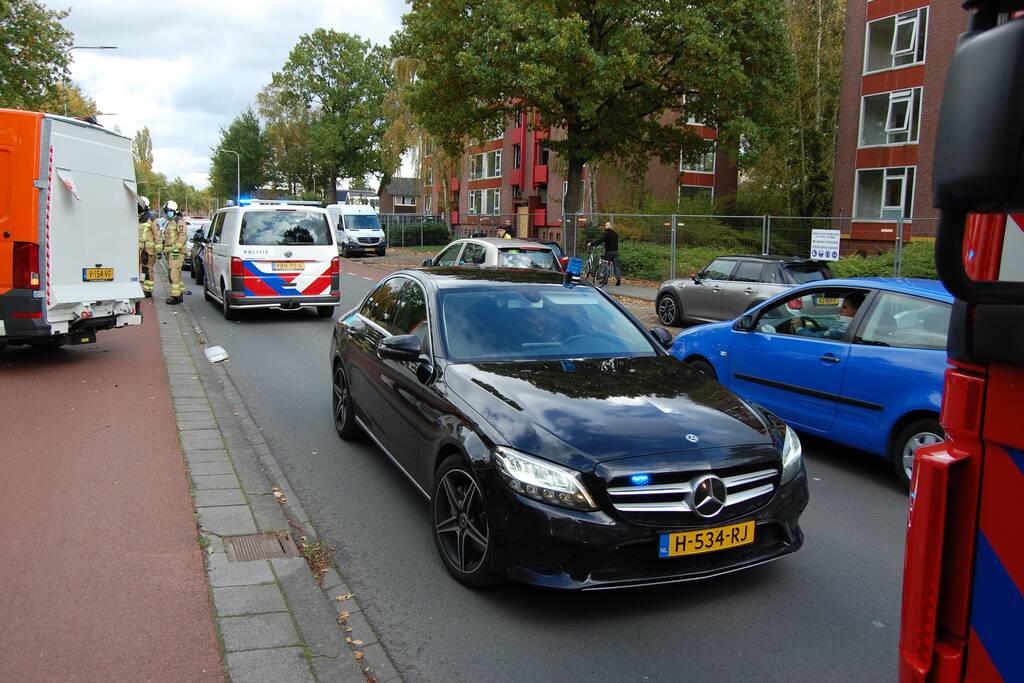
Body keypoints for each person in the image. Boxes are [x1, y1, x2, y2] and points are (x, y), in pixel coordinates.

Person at [794, 292, 865, 339]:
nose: (840, 310)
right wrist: (818, 328)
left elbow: (816, 336)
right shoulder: (863, 325)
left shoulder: (842, 330)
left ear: (856, 312)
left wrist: (798, 328)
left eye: (844, 307)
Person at [162, 200, 187, 305]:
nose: (167, 213)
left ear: (174, 210)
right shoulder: (170, 221)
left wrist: (176, 248)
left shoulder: (179, 221)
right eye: (166, 211)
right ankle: (180, 294)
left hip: (176, 252)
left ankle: (175, 297)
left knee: (173, 274)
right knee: (177, 274)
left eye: (169, 211)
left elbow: (182, 236)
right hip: (171, 252)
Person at [137, 196, 160, 298]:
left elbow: (157, 235)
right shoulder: (137, 218)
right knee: (137, 270)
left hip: (148, 250)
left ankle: (148, 290)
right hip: (138, 249)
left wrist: (159, 250)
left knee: (147, 270)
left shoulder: (152, 219)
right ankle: (139, 288)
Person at [587, 221, 621, 286]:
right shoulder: (616, 234)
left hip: (609, 252)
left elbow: (600, 240)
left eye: (607, 225)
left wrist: (591, 243)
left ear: (610, 226)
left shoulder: (607, 234)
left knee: (605, 265)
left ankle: (604, 281)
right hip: (616, 252)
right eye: (605, 225)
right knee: (616, 267)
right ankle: (618, 281)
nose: (606, 226)